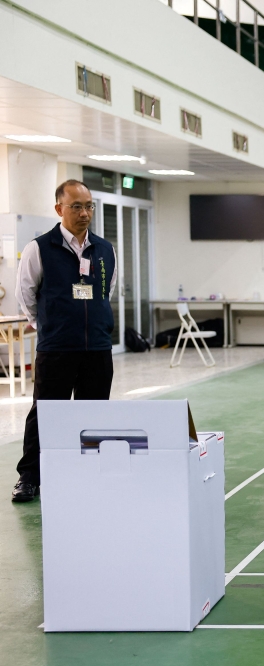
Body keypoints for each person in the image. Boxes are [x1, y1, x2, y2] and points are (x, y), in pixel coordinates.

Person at [12, 180, 117, 502]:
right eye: (76, 206)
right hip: (57, 347)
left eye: (89, 206)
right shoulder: (39, 248)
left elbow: (105, 291)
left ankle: (89, 471)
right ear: (59, 209)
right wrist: (47, 324)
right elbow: (25, 294)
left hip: (97, 347)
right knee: (45, 412)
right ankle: (30, 476)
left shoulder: (105, 249)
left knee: (94, 412)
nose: (84, 213)